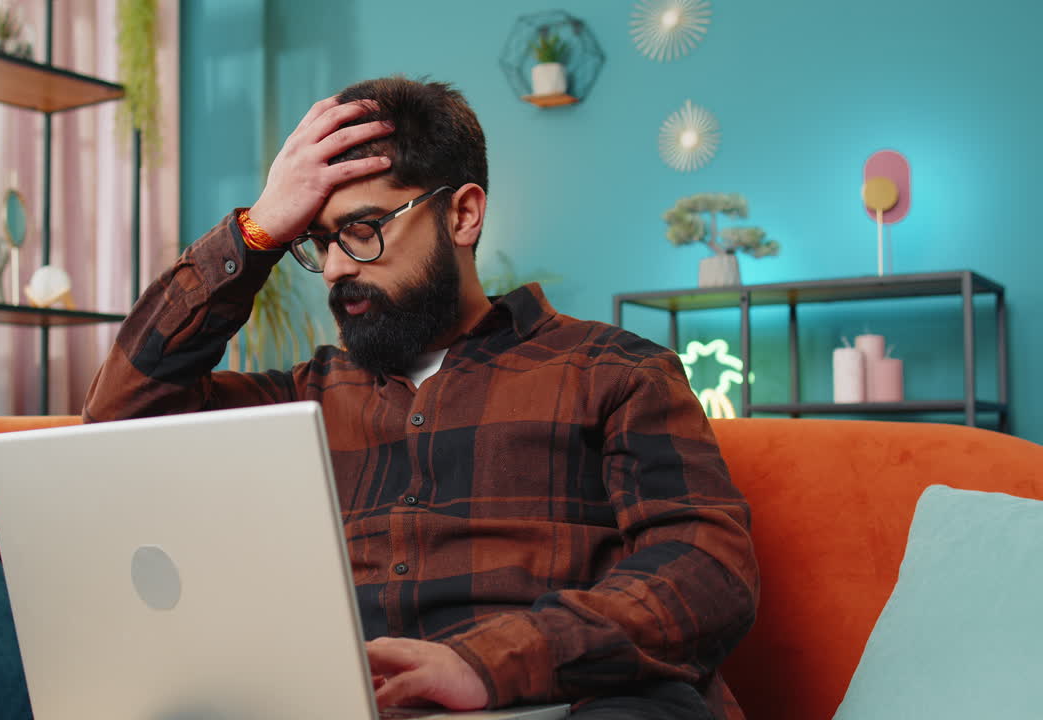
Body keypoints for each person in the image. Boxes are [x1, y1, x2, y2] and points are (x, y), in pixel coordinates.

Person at [84, 77, 759, 720]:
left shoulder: (614, 371)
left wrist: (485, 663)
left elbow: (705, 570)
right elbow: (118, 423)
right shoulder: (304, 398)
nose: (340, 266)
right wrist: (255, 235)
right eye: (318, 242)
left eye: (363, 228)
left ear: (462, 214)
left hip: (564, 701)